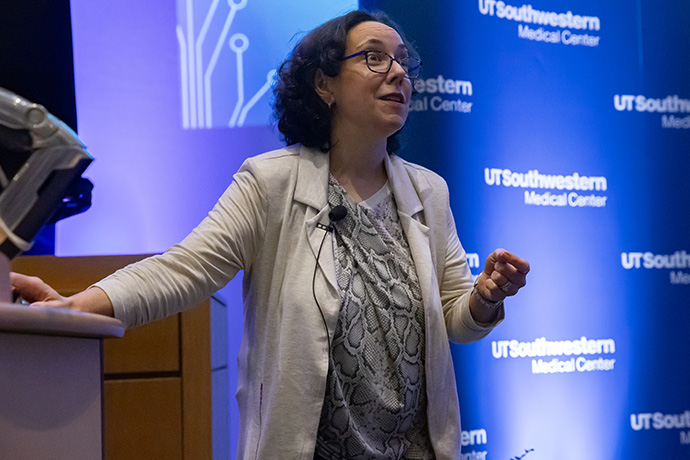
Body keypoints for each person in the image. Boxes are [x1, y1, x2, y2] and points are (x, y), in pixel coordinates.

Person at [11, 10, 529, 460]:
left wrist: (484, 298)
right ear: (324, 84)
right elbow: (185, 269)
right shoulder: (272, 183)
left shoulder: (428, 191)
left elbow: (457, 319)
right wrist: (79, 307)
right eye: (374, 57)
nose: (397, 73)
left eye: (402, 62)